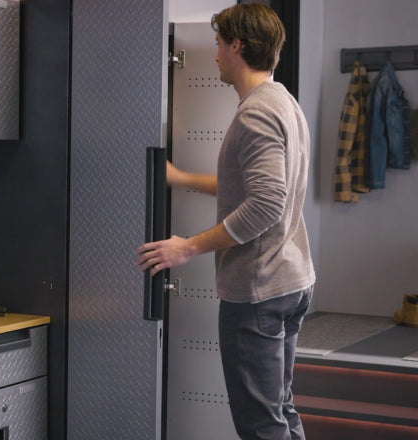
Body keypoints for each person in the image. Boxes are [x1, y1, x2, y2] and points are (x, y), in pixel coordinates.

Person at [136, 3, 315, 440]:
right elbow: (252, 186)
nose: (214, 54)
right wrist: (182, 178)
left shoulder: (255, 112)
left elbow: (267, 203)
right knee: (279, 412)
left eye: (218, 44)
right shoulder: (284, 102)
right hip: (289, 282)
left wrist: (187, 246)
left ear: (237, 45)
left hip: (258, 292)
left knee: (260, 426)